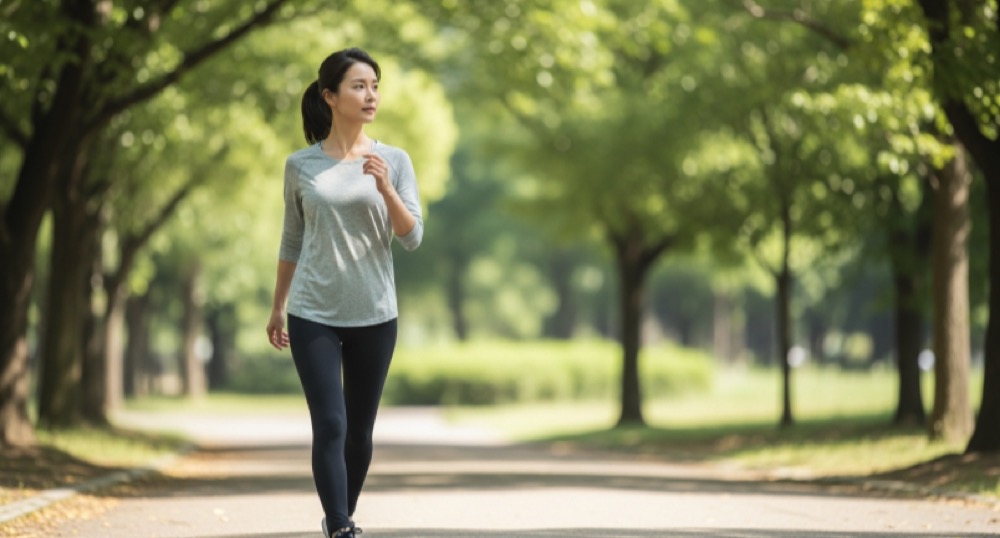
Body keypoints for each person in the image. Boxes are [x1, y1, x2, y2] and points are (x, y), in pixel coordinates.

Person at [265, 47, 423, 538]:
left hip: (375, 312)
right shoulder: (301, 165)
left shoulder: (393, 160)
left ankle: (342, 515)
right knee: (330, 424)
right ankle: (339, 528)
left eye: (375, 86)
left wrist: (387, 190)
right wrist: (278, 307)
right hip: (313, 311)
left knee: (359, 434)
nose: (370, 95)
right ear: (330, 96)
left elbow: (412, 236)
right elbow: (292, 238)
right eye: (359, 86)